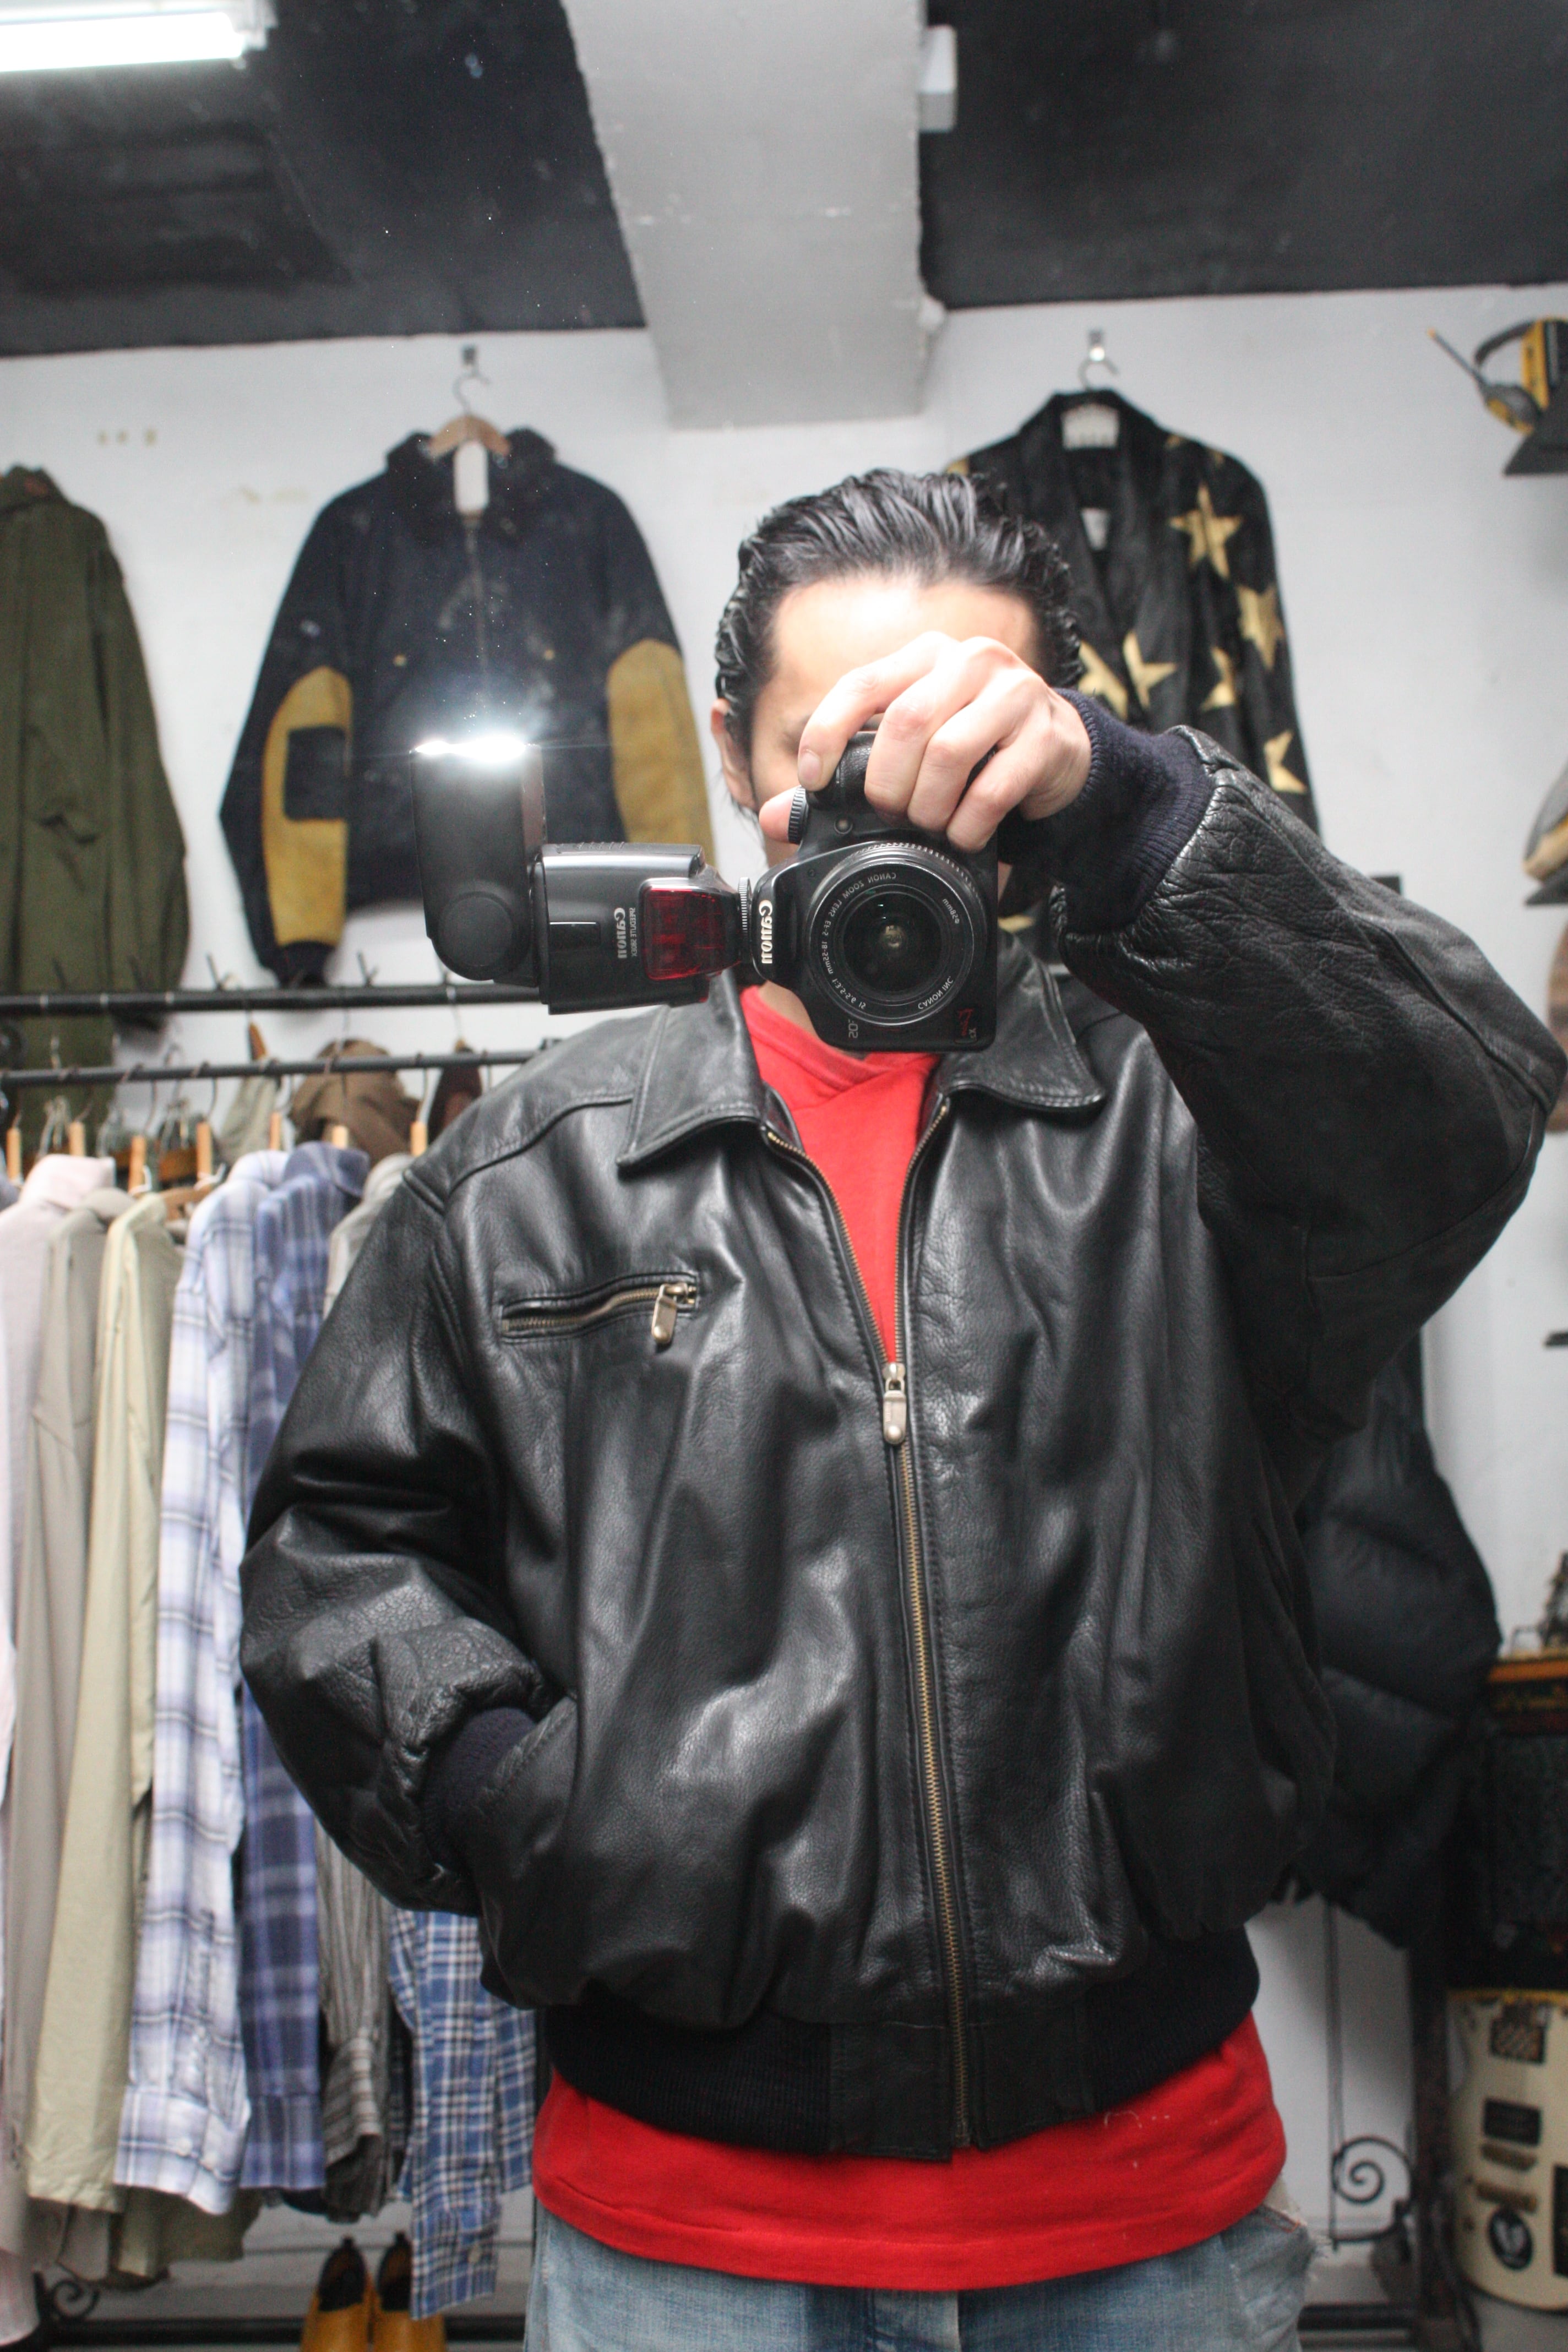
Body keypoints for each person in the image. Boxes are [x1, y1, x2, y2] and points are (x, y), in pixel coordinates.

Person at [241, 471, 1562, 2350]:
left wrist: (1140, 811)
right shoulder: (530, 1174)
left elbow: (1471, 1118)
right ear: (730, 755)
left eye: (950, 755)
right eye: (833, 761)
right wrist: (528, 1802)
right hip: (684, 2239)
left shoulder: (1191, 1110)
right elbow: (337, 1559)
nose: (892, 817)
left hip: (1147, 2224)